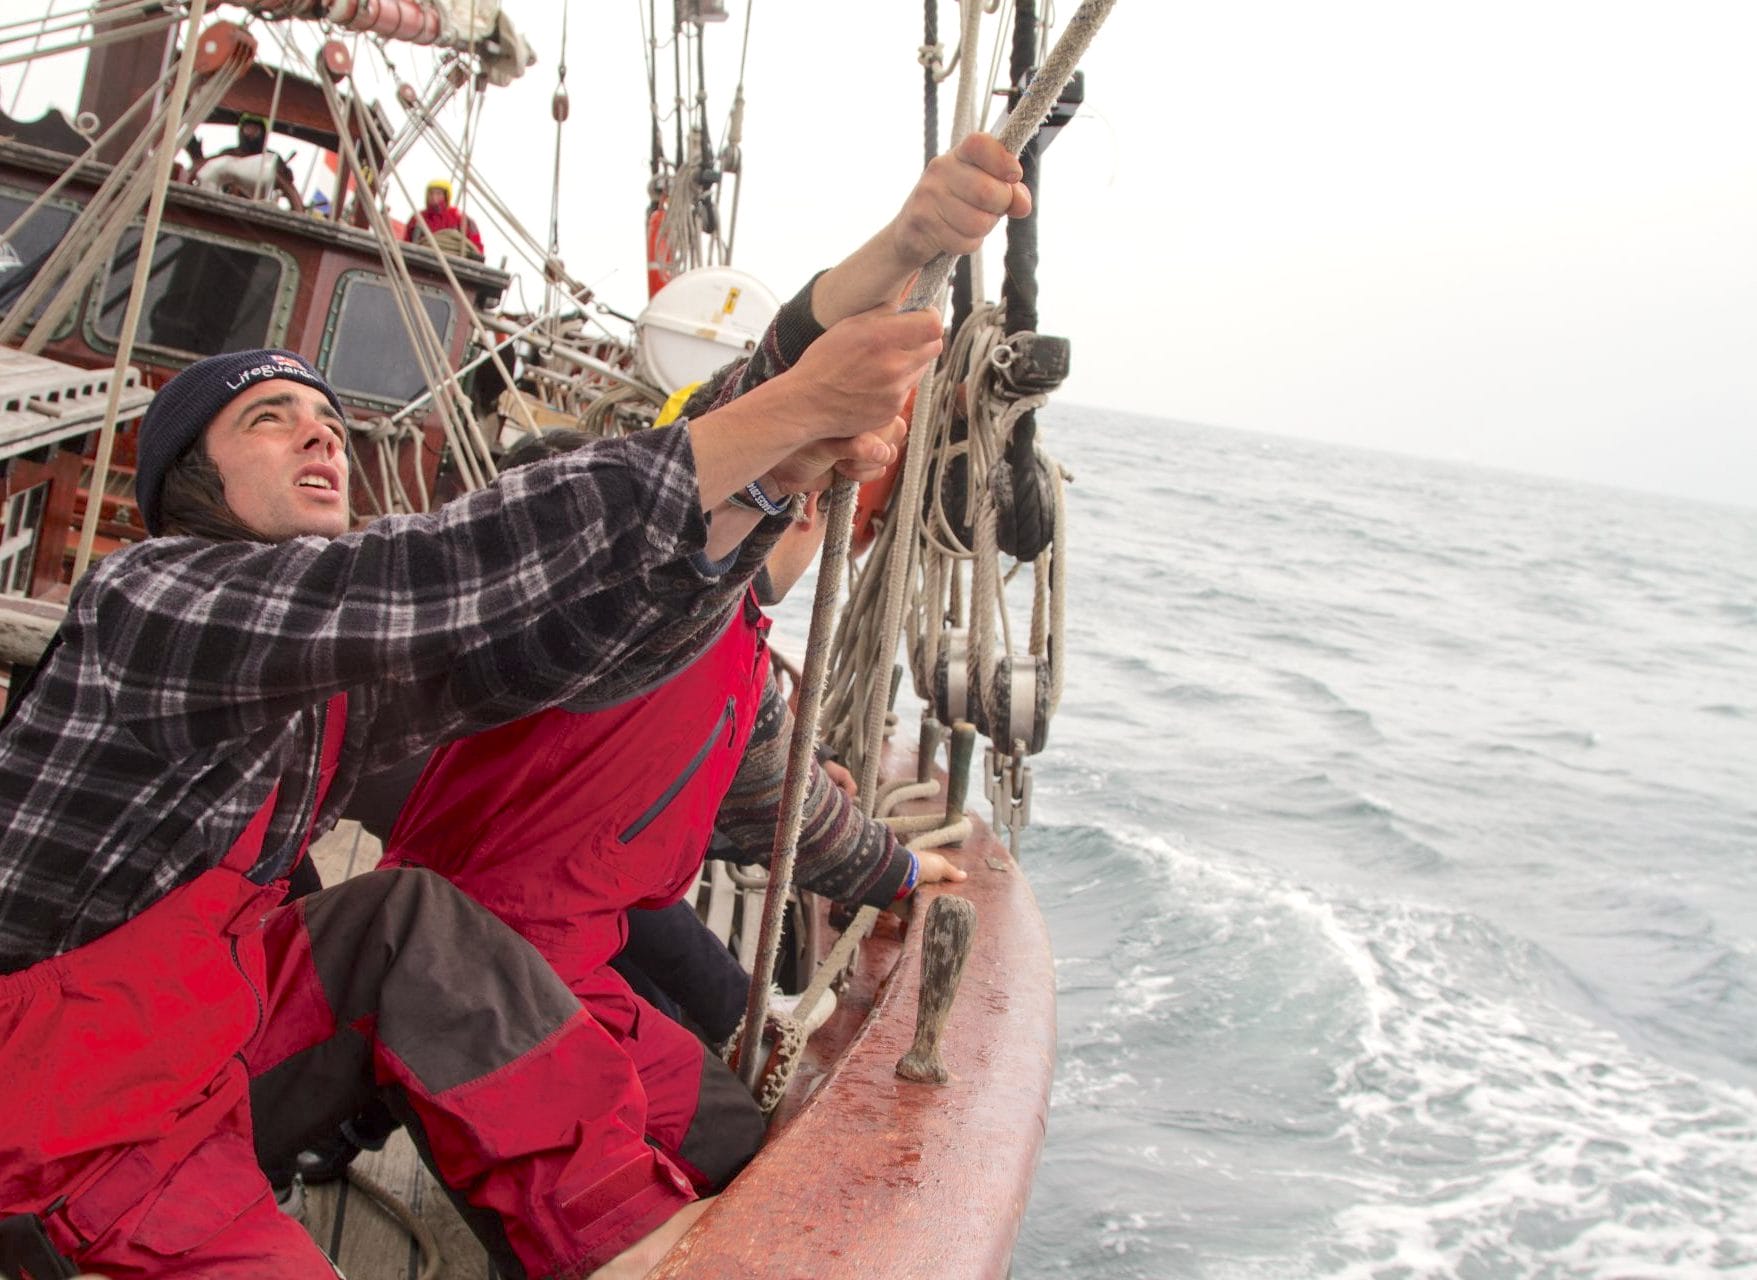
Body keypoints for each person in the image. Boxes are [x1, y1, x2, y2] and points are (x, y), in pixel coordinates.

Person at [0, 288, 928, 1277]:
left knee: (403, 916)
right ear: (191, 479)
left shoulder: (327, 693)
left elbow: (564, 650)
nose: (320, 440)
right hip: (47, 1121)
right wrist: (776, 421)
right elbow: (431, 573)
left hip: (188, 1061)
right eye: (270, 421)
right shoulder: (151, 599)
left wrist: (769, 468)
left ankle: (629, 1246)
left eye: (329, 422)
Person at [375, 131, 1026, 1199]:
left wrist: (897, 870)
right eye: (797, 501)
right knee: (662, 1176)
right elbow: (716, 458)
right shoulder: (648, 607)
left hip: (563, 952)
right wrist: (844, 347)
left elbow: (778, 802)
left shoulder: (733, 662)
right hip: (473, 961)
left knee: (726, 1130)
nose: (811, 525)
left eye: (817, 507)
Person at [191, 113, 304, 211]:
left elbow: (286, 184)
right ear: (241, 130)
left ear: (264, 133)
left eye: (255, 130)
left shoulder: (273, 159)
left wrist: (286, 174)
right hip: (225, 203)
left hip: (259, 208)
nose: (250, 134)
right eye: (248, 128)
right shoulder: (229, 153)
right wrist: (197, 156)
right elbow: (206, 169)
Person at [404, 178, 485, 256]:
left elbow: (476, 249)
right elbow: (406, 243)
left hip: (453, 264)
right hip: (420, 262)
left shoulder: (461, 219)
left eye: (438, 193)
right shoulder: (417, 219)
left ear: (446, 196)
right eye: (431, 193)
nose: (434, 197)